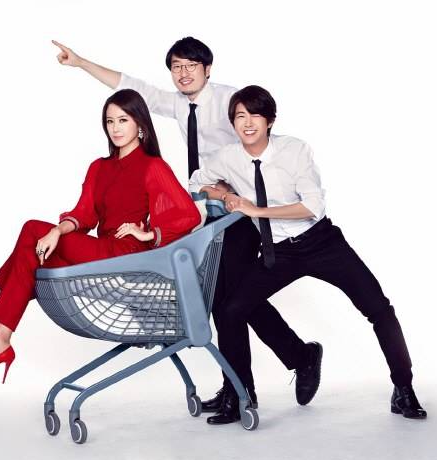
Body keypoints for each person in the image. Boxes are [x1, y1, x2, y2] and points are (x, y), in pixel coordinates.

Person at [52, 37, 323, 412]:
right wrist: (82, 63)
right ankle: (275, 368)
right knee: (224, 299)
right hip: (204, 213)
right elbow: (132, 86)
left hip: (239, 215)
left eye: (191, 66)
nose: (183, 73)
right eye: (176, 67)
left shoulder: (229, 101)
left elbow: (258, 142)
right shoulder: (179, 104)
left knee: (229, 300)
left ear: (207, 69)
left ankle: (245, 389)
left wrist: (238, 188)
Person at [189, 84, 427, 424]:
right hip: (278, 253)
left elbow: (312, 206)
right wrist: (224, 193)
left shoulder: (294, 150)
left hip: (321, 244)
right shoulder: (228, 157)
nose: (248, 123)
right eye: (240, 116)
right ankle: (242, 394)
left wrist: (254, 210)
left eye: (255, 115)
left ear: (270, 120)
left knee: (378, 308)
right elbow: (196, 181)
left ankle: (404, 388)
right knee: (230, 310)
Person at [0, 89, 201, 383]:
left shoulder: (153, 166)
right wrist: (57, 230)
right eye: (110, 121)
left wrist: (148, 233)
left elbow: (189, 215)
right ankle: (1, 341)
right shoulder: (99, 167)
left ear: (140, 124)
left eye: (123, 120)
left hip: (126, 255)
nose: (115, 128)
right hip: (100, 252)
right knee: (32, 253)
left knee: (32, 229)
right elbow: (84, 215)